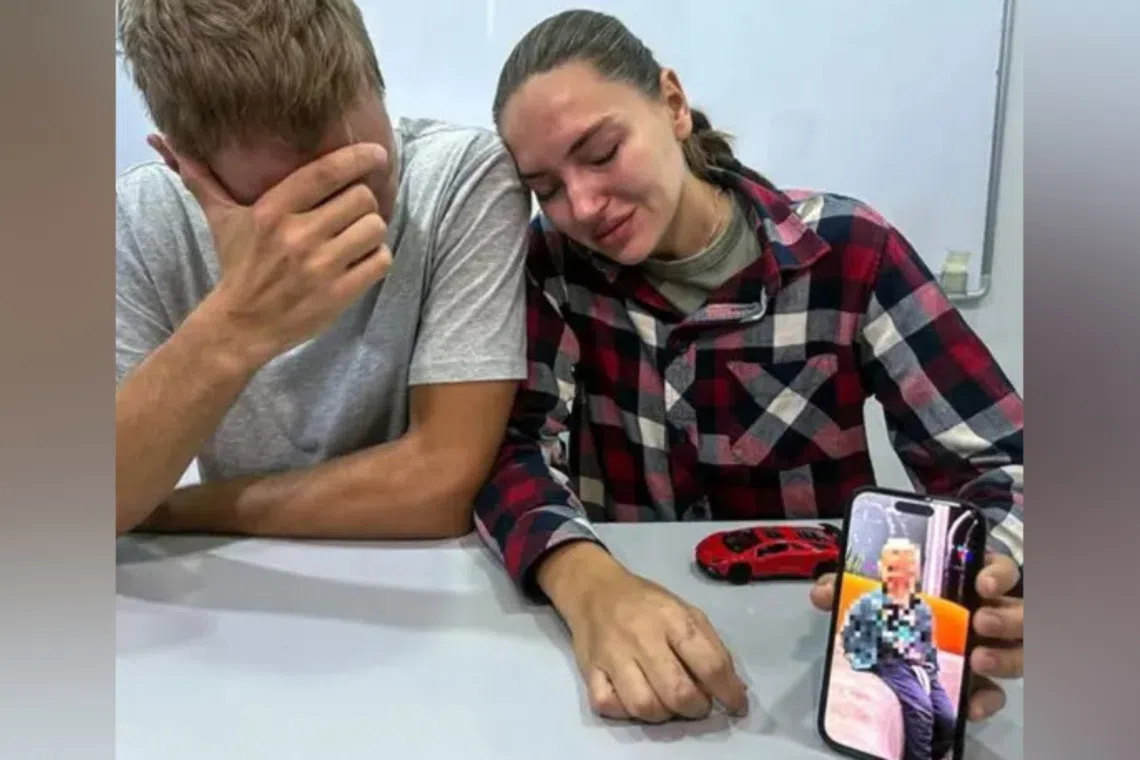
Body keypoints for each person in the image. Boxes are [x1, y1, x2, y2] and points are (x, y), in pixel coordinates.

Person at [474, 9, 1025, 725]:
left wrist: (979, 578)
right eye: (546, 187)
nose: (580, 205)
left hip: (818, 647)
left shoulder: (850, 252)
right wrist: (586, 579)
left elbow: (1003, 465)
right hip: (625, 656)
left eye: (603, 152)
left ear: (671, 104)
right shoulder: (551, 267)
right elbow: (510, 451)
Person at [115, 0, 530, 538]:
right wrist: (235, 327)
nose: (355, 218)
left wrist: (168, 509)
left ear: (376, 80)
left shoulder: (463, 177)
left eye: (371, 174)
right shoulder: (143, 216)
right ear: (186, 165)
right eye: (306, 201)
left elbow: (440, 485)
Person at [842, 539, 955, 760]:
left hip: (922, 668)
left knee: (948, 717)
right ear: (880, 568)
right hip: (891, 663)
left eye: (907, 569)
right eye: (892, 568)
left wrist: (929, 664)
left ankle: (935, 753)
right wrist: (872, 657)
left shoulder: (922, 609)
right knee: (920, 710)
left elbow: (928, 645)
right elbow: (853, 639)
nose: (899, 576)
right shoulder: (868, 604)